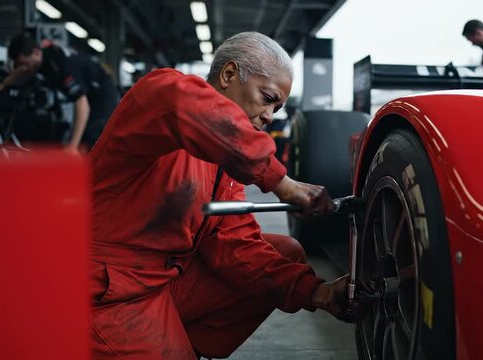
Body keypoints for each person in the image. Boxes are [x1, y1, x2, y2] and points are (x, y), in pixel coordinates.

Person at [88, 31, 351, 359]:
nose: (270, 116)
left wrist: (318, 293)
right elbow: (183, 105)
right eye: (267, 97)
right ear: (228, 75)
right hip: (108, 288)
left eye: (278, 108)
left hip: (165, 279)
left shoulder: (224, 166)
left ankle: (175, 340)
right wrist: (284, 183)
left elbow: (233, 242)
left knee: (284, 252)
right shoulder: (159, 94)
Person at [0, 33, 119, 150]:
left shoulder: (59, 65)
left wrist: (72, 147)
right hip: (88, 94)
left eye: (26, 64)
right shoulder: (38, 62)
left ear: (36, 53)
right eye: (20, 65)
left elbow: (82, 105)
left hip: (101, 95)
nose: (25, 69)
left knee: (90, 136)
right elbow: (21, 74)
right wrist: (2, 85)